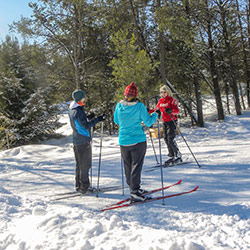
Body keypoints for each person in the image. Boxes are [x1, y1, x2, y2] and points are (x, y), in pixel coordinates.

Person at [114, 81, 158, 202]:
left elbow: (116, 120)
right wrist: (155, 114)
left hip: (123, 140)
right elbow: (149, 122)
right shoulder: (139, 106)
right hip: (137, 140)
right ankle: (134, 192)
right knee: (136, 166)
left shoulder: (119, 105)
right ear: (135, 94)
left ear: (125, 94)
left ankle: (134, 188)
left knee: (128, 165)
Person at [69, 89, 106, 194]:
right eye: (83, 97)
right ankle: (84, 187)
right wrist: (97, 119)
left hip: (77, 140)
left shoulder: (72, 109)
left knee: (79, 164)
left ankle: (79, 185)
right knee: (85, 165)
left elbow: (80, 121)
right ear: (79, 99)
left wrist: (89, 117)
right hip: (83, 140)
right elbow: (85, 126)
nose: (84, 99)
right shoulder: (78, 111)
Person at [154, 85, 182, 164]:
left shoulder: (172, 100)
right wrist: (150, 111)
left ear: (168, 92)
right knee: (165, 138)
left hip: (172, 120)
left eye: (164, 92)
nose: (163, 94)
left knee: (170, 138)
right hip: (164, 121)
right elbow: (156, 109)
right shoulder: (161, 100)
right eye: (162, 92)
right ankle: (171, 155)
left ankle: (178, 155)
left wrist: (171, 111)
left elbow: (177, 110)